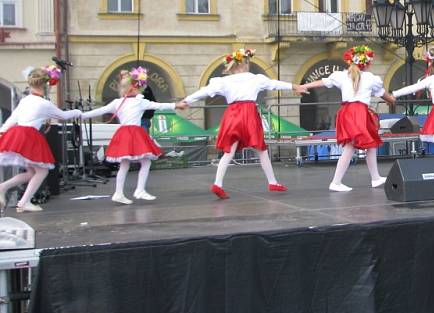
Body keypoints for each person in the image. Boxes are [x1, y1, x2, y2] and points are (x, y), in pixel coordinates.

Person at [181, 49, 304, 199]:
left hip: (232, 114)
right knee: (261, 149)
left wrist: (186, 101)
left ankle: (217, 184)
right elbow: (274, 84)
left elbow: (204, 92)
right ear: (246, 63)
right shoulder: (255, 79)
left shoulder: (223, 81)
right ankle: (272, 182)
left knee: (229, 151)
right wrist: (294, 86)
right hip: (248, 113)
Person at [81, 68, 184, 205]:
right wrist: (177, 105)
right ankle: (139, 190)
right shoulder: (139, 102)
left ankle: (119, 193)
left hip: (123, 133)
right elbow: (159, 105)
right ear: (135, 89)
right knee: (146, 162)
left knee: (124, 164)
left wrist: (79, 114)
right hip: (135, 133)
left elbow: (100, 110)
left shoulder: (117, 102)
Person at [301, 45, 396, 192]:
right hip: (359, 113)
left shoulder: (341, 75)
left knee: (368, 145)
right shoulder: (371, 78)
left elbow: (323, 82)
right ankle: (337, 182)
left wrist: (305, 85)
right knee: (355, 146)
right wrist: (392, 99)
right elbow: (384, 95)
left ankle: (375, 178)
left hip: (347, 112)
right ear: (368, 63)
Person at [0, 65, 81, 212]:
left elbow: (13, 118)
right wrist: (77, 111)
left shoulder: (25, 100)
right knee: (42, 171)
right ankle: (24, 202)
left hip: (17, 135)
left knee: (32, 172)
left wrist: (2, 131)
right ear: (45, 85)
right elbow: (63, 116)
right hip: (29, 137)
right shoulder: (44, 104)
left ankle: (4, 188)